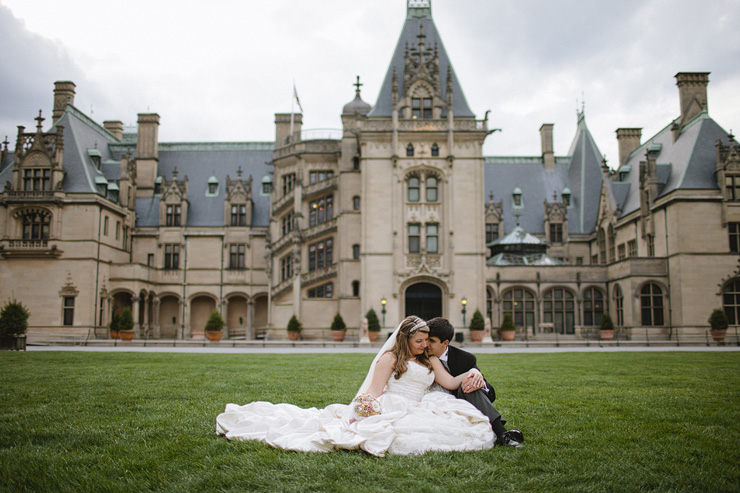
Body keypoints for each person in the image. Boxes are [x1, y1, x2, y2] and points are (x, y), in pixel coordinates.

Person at [216, 316, 494, 456]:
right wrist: (359, 414)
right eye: (419, 341)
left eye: (426, 341)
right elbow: (373, 392)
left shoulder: (430, 360)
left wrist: (472, 371)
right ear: (406, 339)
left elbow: (449, 381)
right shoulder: (390, 358)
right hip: (393, 403)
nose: (424, 345)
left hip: (421, 405)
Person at [426, 317, 524, 448]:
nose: (426, 344)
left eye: (431, 341)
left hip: (461, 400)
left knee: (469, 385)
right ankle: (502, 431)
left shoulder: (465, 358)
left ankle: (502, 434)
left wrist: (477, 378)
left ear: (445, 343)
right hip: (434, 402)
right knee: (468, 383)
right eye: (426, 339)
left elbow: (491, 393)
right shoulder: (420, 354)